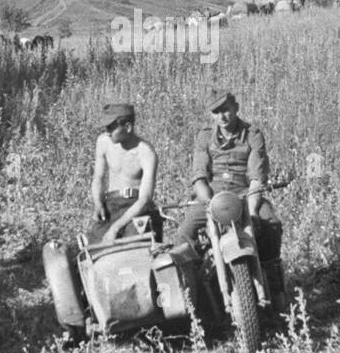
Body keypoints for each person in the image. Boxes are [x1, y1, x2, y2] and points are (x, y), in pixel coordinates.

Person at [171, 88, 287, 311]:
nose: (221, 117)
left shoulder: (252, 134)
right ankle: (193, 299)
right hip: (213, 196)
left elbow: (256, 178)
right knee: (184, 234)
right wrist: (209, 205)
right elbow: (199, 177)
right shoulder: (205, 136)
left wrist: (252, 213)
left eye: (225, 110)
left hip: (244, 193)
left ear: (236, 109)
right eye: (216, 112)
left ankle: (275, 285)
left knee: (271, 225)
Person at [86, 103, 162, 244]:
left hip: (135, 207)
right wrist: (98, 203)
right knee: (93, 248)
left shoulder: (146, 153)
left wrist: (116, 228)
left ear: (127, 127)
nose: (107, 131)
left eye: (111, 127)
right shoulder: (103, 142)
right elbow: (98, 178)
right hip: (111, 205)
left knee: (133, 246)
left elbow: (144, 199)